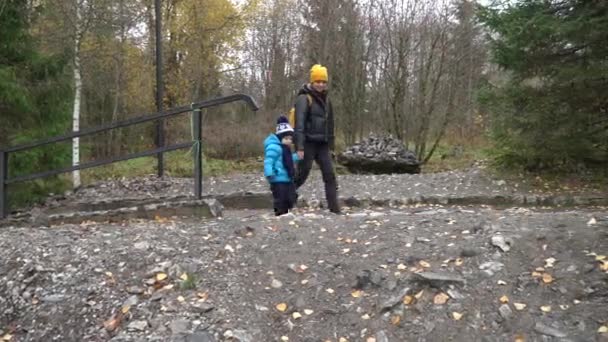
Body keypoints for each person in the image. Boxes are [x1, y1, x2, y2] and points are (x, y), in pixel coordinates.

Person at [294, 64, 341, 214]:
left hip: (322, 144)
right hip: (308, 143)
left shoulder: (327, 101)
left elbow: (331, 125)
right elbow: (299, 123)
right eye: (317, 81)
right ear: (312, 82)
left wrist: (332, 147)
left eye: (323, 81)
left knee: (330, 175)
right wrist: (299, 147)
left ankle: (335, 209)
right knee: (302, 174)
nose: (320, 84)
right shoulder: (303, 98)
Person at [264, 116, 300, 216]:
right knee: (280, 197)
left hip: (286, 178)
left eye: (290, 139)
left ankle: (286, 211)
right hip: (277, 177)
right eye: (286, 138)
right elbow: (269, 161)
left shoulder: (285, 149)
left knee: (289, 196)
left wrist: (297, 156)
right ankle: (280, 213)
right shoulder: (274, 147)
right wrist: (269, 172)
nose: (289, 141)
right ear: (280, 138)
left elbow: (286, 160)